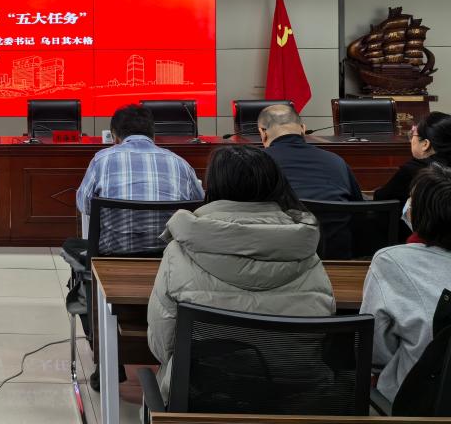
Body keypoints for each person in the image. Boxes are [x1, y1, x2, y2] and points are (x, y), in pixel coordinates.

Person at [147, 146, 336, 394]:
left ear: (213, 186)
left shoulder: (179, 251)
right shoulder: (306, 247)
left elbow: (163, 344)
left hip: (200, 398)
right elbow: (324, 333)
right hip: (298, 398)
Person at [361, 162, 451, 403]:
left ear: (422, 212)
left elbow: (374, 350)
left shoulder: (391, 261)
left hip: (411, 402)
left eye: (411, 200)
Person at [72, 104, 203, 255]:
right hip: (168, 256)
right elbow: (199, 207)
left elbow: (85, 205)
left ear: (114, 136)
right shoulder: (180, 163)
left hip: (112, 255)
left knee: (73, 245)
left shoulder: (101, 160)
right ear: (153, 135)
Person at [259, 103, 363, 257]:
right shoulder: (335, 161)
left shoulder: (255, 163)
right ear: (303, 129)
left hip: (278, 255)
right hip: (336, 255)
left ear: (263, 133)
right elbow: (360, 209)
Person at [374, 111, 451, 210]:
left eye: (413, 135)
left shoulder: (413, 170)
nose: (411, 141)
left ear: (425, 144)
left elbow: (381, 200)